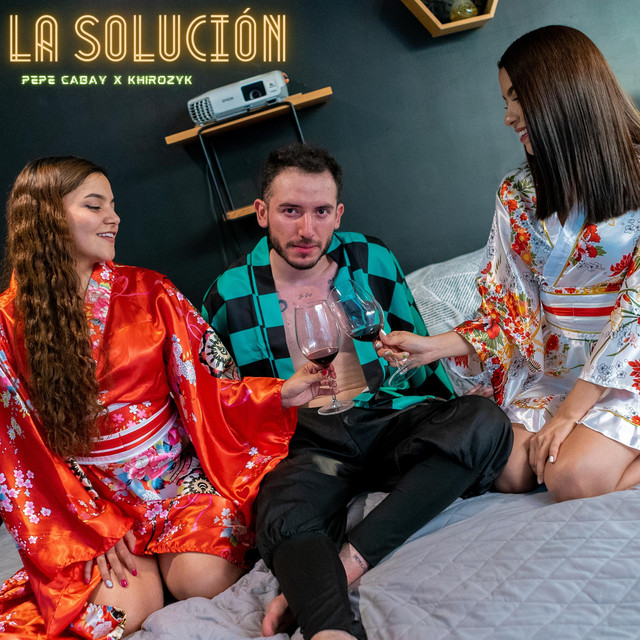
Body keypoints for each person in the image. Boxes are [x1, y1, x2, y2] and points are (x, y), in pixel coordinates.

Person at [0, 156, 336, 639]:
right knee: (126, 613)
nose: (114, 218)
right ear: (47, 216)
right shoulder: (8, 323)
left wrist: (280, 392)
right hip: (92, 500)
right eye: (95, 206)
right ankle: (133, 561)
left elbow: (209, 380)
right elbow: (17, 451)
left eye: (113, 205)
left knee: (205, 581)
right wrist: (88, 526)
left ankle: (172, 553)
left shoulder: (150, 291)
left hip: (175, 481)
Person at [202, 143, 512, 640]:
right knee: (279, 509)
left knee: (484, 423)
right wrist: (278, 394)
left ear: (338, 213)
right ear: (261, 213)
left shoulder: (371, 258)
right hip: (307, 441)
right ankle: (332, 630)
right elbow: (218, 405)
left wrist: (417, 370)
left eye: (321, 212)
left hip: (384, 418)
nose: (307, 229)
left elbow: (420, 363)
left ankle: (347, 562)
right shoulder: (227, 293)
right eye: (290, 211)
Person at [378, 25, 640, 503]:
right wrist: (430, 348)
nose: (507, 117)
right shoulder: (516, 193)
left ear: (563, 90)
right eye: (505, 101)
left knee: (570, 477)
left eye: (516, 98)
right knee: (509, 469)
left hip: (626, 364)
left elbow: (634, 314)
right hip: (559, 365)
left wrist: (569, 415)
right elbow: (508, 308)